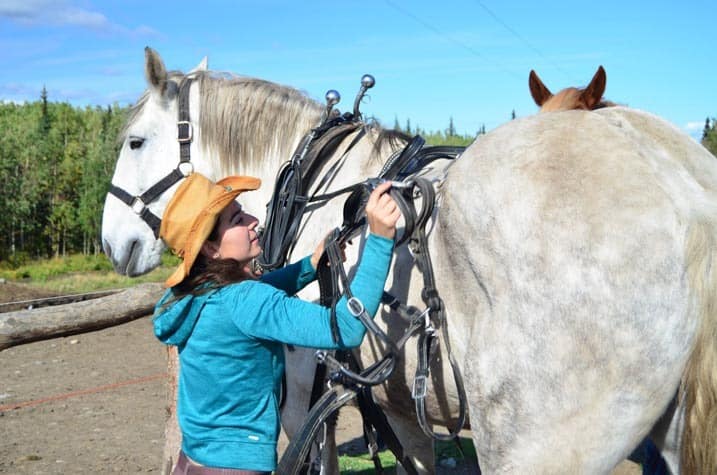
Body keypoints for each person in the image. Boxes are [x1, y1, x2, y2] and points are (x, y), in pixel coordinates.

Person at [152, 173, 400, 474]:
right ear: (210, 249)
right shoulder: (246, 300)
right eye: (237, 219)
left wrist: (309, 266)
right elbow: (347, 327)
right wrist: (380, 241)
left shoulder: (189, 294)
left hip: (193, 461)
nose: (253, 220)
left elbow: (251, 300)